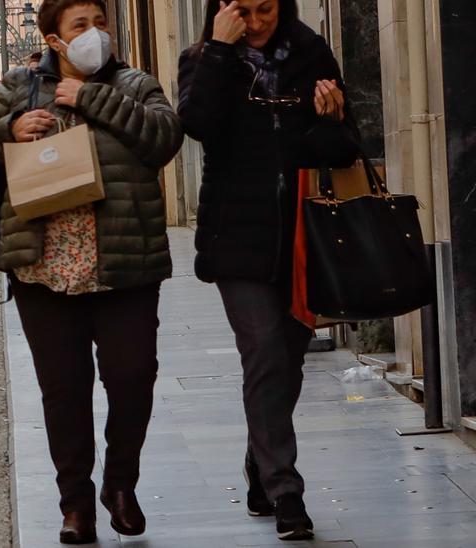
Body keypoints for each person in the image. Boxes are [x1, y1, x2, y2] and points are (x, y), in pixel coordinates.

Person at [0, 0, 183, 543]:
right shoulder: (18, 85)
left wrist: (91, 97)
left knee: (132, 381)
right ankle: (75, 504)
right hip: (43, 268)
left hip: (125, 265)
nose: (94, 33)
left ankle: (120, 485)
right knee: (64, 392)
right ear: (54, 39)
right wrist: (9, 128)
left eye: (101, 22)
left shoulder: (134, 83)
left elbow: (164, 139)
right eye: (80, 25)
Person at [177, 0, 357, 541]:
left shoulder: (310, 51)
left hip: (306, 238)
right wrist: (218, 50)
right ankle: (287, 491)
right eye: (244, 12)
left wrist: (331, 118)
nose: (256, 23)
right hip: (238, 237)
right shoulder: (203, 57)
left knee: (291, 359)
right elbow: (199, 124)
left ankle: (260, 460)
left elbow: (344, 149)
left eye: (266, 10)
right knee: (264, 353)